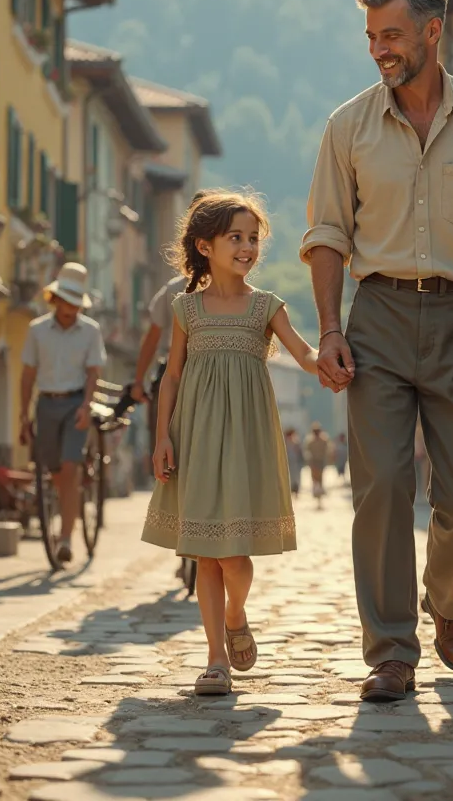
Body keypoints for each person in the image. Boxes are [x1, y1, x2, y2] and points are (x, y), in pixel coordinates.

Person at [301, 0, 453, 701]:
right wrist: (330, 330)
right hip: (379, 318)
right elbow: (328, 233)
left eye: (392, 34)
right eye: (372, 36)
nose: (379, 49)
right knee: (383, 488)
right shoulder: (348, 125)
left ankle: (449, 604)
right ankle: (392, 651)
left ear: (434, 32)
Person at [141, 191, 318, 696]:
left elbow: (302, 352)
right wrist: (162, 440)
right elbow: (171, 378)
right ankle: (216, 658)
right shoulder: (186, 308)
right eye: (234, 238)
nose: (246, 247)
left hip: (246, 441)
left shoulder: (266, 305)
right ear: (204, 246)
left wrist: (330, 361)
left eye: (253, 239)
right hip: (195, 438)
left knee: (235, 557)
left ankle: (236, 614)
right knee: (204, 553)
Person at [20, 263, 106, 564]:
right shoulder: (37, 330)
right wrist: (22, 414)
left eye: (75, 301)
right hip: (45, 404)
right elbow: (28, 374)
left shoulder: (91, 332)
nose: (70, 307)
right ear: (55, 299)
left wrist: (86, 406)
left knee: (69, 469)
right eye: (65, 300)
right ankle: (63, 521)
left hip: (76, 404)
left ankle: (67, 537)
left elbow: (94, 372)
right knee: (54, 471)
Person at [131, 190, 210, 452]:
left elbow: (152, 338)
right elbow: (152, 338)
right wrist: (139, 379)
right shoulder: (175, 289)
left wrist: (139, 380)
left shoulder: (175, 288)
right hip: (183, 370)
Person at [303, 422, 332, 506]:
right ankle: (317, 496)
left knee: (320, 479)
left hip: (320, 462)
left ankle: (319, 497)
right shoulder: (310, 441)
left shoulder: (323, 440)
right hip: (314, 462)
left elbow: (327, 451)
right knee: (315, 480)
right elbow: (307, 451)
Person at [284, 428, 304, 496]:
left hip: (296, 464)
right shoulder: (284, 443)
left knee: (296, 478)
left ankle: (296, 491)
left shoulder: (296, 443)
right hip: (288, 464)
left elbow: (300, 454)